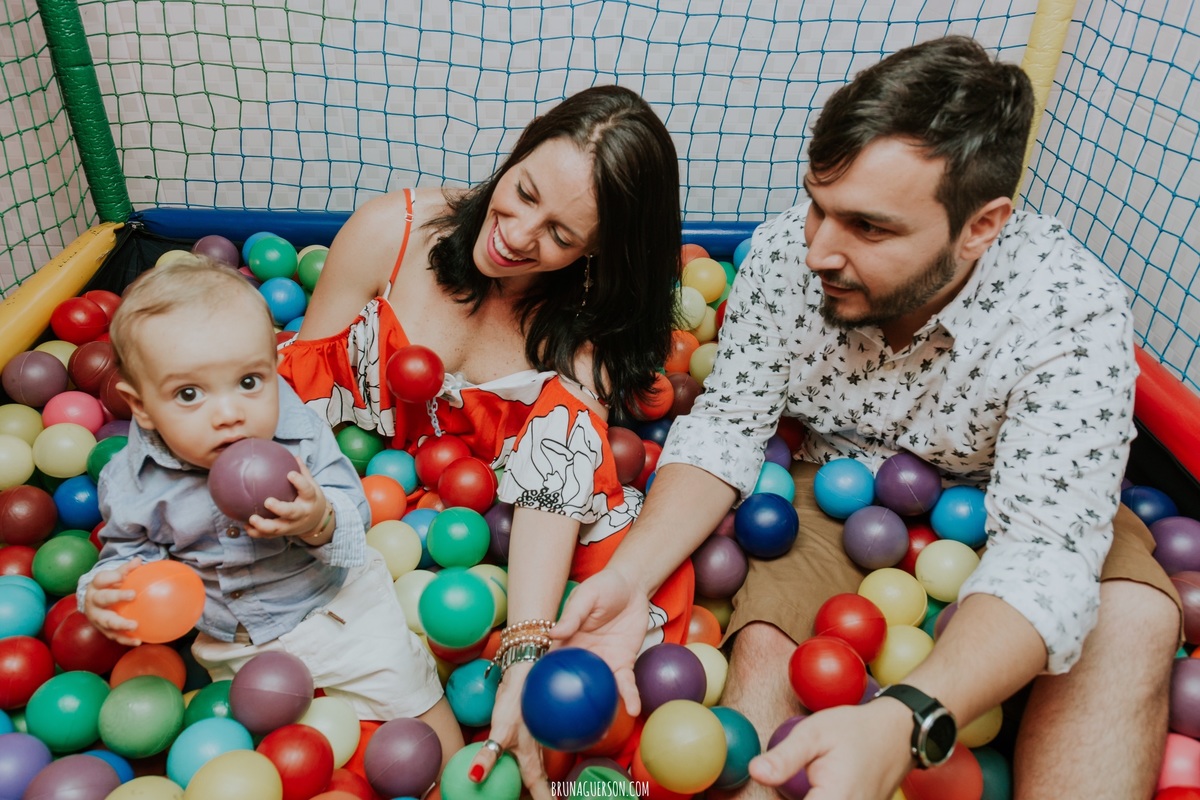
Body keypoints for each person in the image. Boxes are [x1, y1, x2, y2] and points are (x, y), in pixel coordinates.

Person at [552, 36, 1181, 799]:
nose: (820, 247)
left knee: (1134, 620)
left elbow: (1046, 556)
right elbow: (726, 428)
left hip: (1016, 496)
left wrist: (908, 716)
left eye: (869, 228)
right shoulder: (790, 253)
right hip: (833, 484)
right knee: (770, 653)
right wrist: (629, 580)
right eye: (819, 206)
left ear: (981, 226)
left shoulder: (1071, 311)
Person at [277, 84, 693, 796]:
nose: (520, 234)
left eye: (561, 236)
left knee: (602, 636)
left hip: (488, 529)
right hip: (352, 492)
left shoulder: (580, 333)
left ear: (596, 254)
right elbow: (295, 400)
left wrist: (525, 649)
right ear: (517, 153)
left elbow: (551, 490)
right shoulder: (392, 231)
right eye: (523, 191)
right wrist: (311, 514)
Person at [77, 258, 463, 774]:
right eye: (188, 394)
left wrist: (316, 517)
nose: (229, 412)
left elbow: (353, 509)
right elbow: (130, 555)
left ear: (272, 367)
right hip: (236, 641)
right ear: (140, 406)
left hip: (337, 609)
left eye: (249, 381)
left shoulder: (298, 430)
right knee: (268, 758)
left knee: (409, 688)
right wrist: (104, 588)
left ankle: (464, 776)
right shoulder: (132, 482)